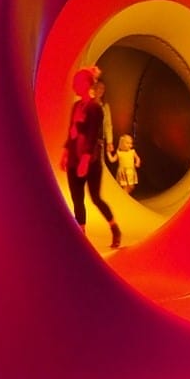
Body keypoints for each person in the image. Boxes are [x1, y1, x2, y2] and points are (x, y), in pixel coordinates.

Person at [60, 67, 122, 248]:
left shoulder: (96, 108)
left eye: (77, 82)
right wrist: (65, 153)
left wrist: (86, 160)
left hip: (90, 161)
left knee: (95, 198)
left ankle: (114, 228)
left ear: (87, 84)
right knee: (77, 199)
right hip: (74, 159)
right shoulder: (76, 107)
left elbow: (93, 135)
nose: (74, 86)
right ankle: (81, 239)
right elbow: (71, 132)